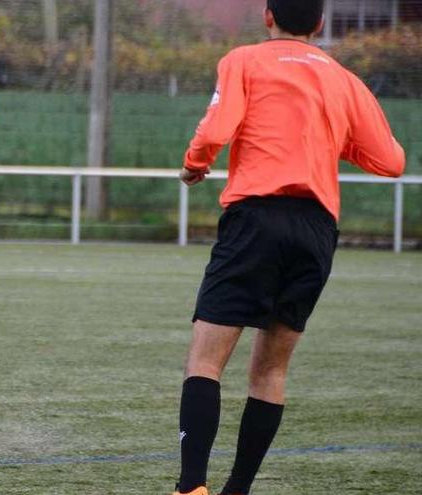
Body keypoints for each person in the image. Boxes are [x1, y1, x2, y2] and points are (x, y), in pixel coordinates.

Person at [171, 1, 406, 494]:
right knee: (271, 370)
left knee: (206, 361)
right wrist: (327, 137)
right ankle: (239, 489)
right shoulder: (344, 78)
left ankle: (191, 487)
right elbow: (391, 161)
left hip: (256, 220)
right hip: (316, 231)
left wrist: (195, 164)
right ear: (320, 24)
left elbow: (216, 129)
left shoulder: (244, 60)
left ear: (267, 15)